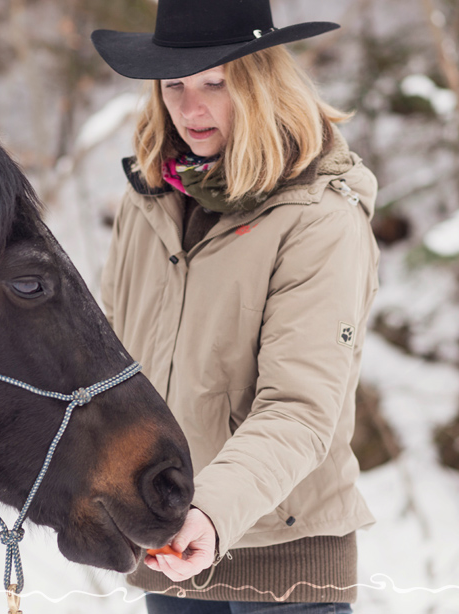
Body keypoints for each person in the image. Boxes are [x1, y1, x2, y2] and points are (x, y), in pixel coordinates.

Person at [91, 1, 378, 612]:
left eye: (215, 84)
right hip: (167, 539)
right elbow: (102, 361)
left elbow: (299, 408)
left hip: (285, 551)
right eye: (175, 85)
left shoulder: (319, 219)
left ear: (261, 80)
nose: (191, 109)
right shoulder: (148, 203)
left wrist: (213, 512)